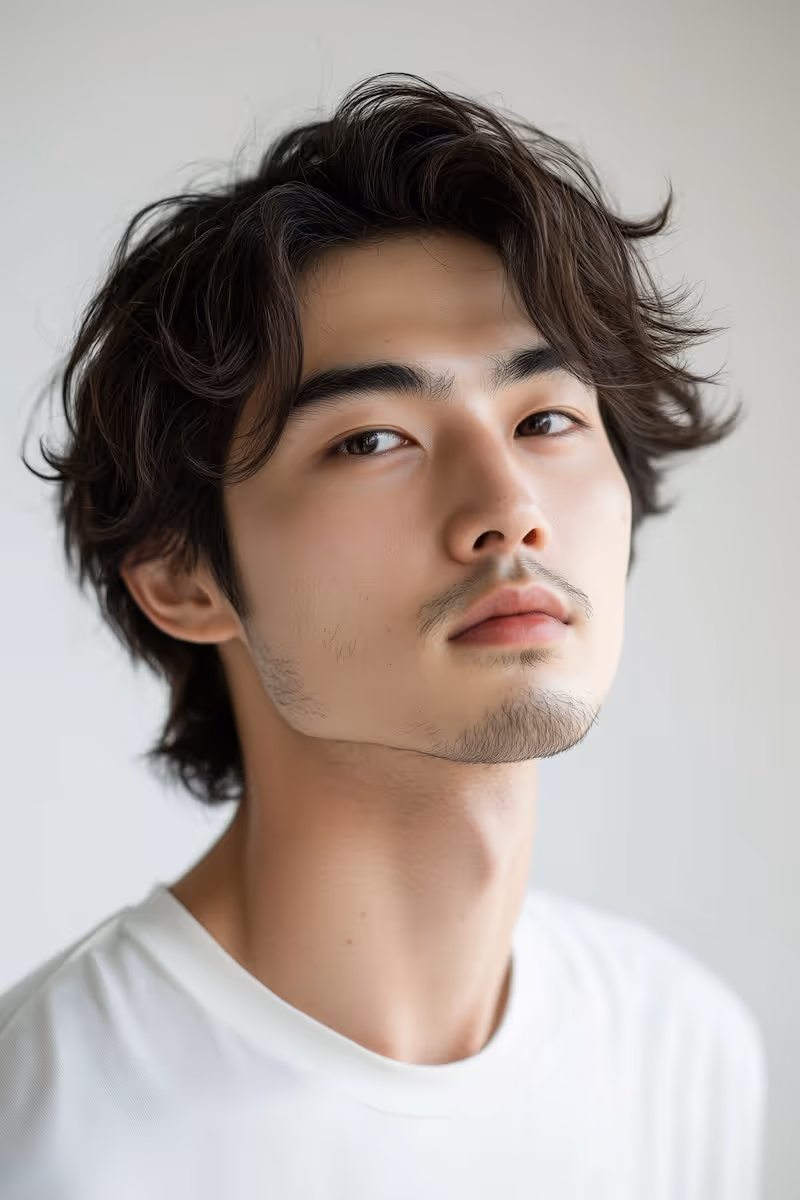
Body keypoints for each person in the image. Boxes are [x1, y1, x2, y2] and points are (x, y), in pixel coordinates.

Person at [3, 71, 766, 1199]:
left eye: (546, 417)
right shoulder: (43, 1131)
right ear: (183, 578)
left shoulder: (682, 1055)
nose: (508, 505)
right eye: (371, 440)